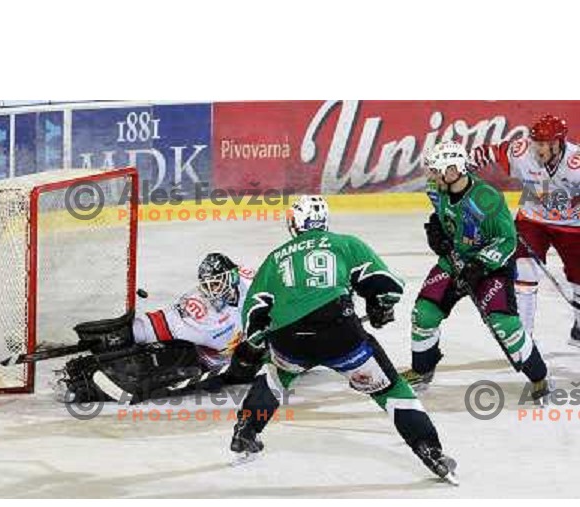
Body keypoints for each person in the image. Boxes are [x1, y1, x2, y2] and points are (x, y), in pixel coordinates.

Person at [227, 195, 457, 483]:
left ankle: (246, 431)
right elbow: (388, 285)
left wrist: (261, 343)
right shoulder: (344, 243)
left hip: (290, 340)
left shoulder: (275, 257)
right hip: (340, 335)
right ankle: (430, 451)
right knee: (389, 389)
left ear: (294, 223)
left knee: (275, 374)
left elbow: (253, 315)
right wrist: (379, 307)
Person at [402, 141, 551, 402]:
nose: (432, 176)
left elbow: (507, 240)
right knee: (423, 313)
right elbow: (444, 215)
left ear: (453, 170)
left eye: (436, 170)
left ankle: (538, 376)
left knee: (504, 325)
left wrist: (480, 265)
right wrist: (436, 230)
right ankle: (422, 369)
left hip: (491, 267)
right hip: (455, 260)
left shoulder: (487, 198)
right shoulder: (436, 189)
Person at [59, 253, 260, 404]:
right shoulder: (198, 309)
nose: (211, 292)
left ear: (232, 277)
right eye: (206, 286)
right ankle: (91, 381)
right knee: (176, 369)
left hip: (252, 361)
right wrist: (118, 336)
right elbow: (161, 323)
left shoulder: (253, 282)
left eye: (216, 285)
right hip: (209, 364)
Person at [470, 114, 580, 346]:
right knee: (524, 275)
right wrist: (465, 169)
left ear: (557, 143)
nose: (538, 148)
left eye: (544, 144)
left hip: (572, 226)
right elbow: (486, 152)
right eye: (536, 142)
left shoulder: (576, 163)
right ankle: (524, 336)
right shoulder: (521, 152)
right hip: (532, 221)